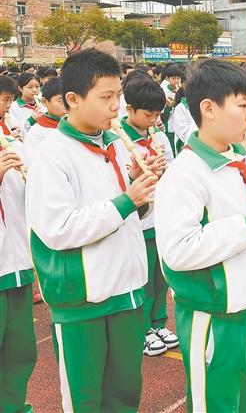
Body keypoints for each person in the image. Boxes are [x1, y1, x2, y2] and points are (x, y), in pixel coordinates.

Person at [154, 59, 246, 413]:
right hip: (215, 315)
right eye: (243, 106)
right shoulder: (185, 174)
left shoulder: (242, 159)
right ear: (209, 108)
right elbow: (178, 251)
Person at [27, 48, 160, 412]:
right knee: (86, 399)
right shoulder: (52, 154)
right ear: (73, 99)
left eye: (118, 96)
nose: (116, 106)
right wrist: (126, 201)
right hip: (83, 300)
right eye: (106, 97)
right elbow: (58, 229)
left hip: (126, 291)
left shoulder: (113, 145)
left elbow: (128, 215)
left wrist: (139, 189)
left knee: (125, 394)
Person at [119, 75, 178, 357]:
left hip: (161, 219)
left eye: (158, 114)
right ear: (129, 109)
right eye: (148, 114)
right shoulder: (119, 141)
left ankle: (158, 322)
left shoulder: (159, 136)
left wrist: (165, 172)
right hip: (139, 222)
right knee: (142, 278)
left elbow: (173, 169)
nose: (153, 120)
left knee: (160, 276)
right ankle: (143, 328)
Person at [0, 91, 36, 413]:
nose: (5, 105)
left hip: (17, 263)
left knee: (20, 351)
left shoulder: (12, 141)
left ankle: (13, 406)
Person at [24, 77, 67, 159]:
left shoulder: (79, 127)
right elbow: (32, 160)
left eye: (70, 99)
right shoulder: (37, 132)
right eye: (61, 101)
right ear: (45, 102)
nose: (67, 105)